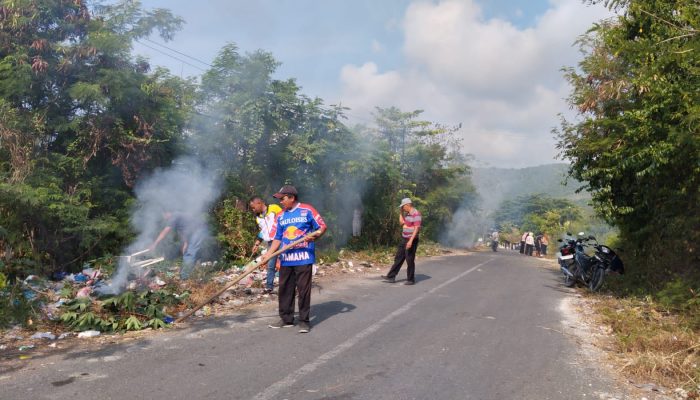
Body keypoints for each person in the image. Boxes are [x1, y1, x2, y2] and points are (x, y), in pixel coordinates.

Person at [260, 185, 326, 333]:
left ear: (291, 198)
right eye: (280, 199)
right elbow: (277, 238)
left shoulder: (307, 210)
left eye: (282, 199)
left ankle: (304, 321)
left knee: (303, 290)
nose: (280, 202)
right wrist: (268, 254)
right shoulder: (280, 216)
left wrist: (316, 235)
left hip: (303, 257)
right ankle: (286, 319)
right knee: (285, 289)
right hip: (286, 259)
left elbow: (322, 226)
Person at [149, 211, 207, 280]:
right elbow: (183, 231)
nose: (164, 218)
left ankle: (184, 278)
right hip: (195, 231)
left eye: (164, 216)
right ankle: (193, 271)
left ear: (167, 213)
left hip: (199, 230)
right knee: (188, 251)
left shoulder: (174, 217)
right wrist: (185, 243)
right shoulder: (178, 218)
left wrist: (154, 244)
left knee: (189, 253)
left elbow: (165, 231)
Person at [382, 197, 421, 285]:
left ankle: (411, 279)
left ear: (408, 205)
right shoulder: (407, 214)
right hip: (404, 238)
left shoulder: (416, 214)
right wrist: (401, 212)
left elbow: (416, 229)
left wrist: (410, 241)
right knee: (398, 258)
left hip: (411, 239)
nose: (403, 208)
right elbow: (401, 223)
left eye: (403, 206)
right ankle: (391, 276)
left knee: (409, 259)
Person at [249, 196, 282, 294]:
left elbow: (284, 220)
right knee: (271, 265)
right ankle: (269, 287)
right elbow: (262, 232)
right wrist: (257, 243)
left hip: (281, 240)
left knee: (286, 263)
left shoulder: (274, 208)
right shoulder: (258, 218)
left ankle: (291, 285)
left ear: (259, 203)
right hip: (271, 243)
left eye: (253, 207)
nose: (253, 210)